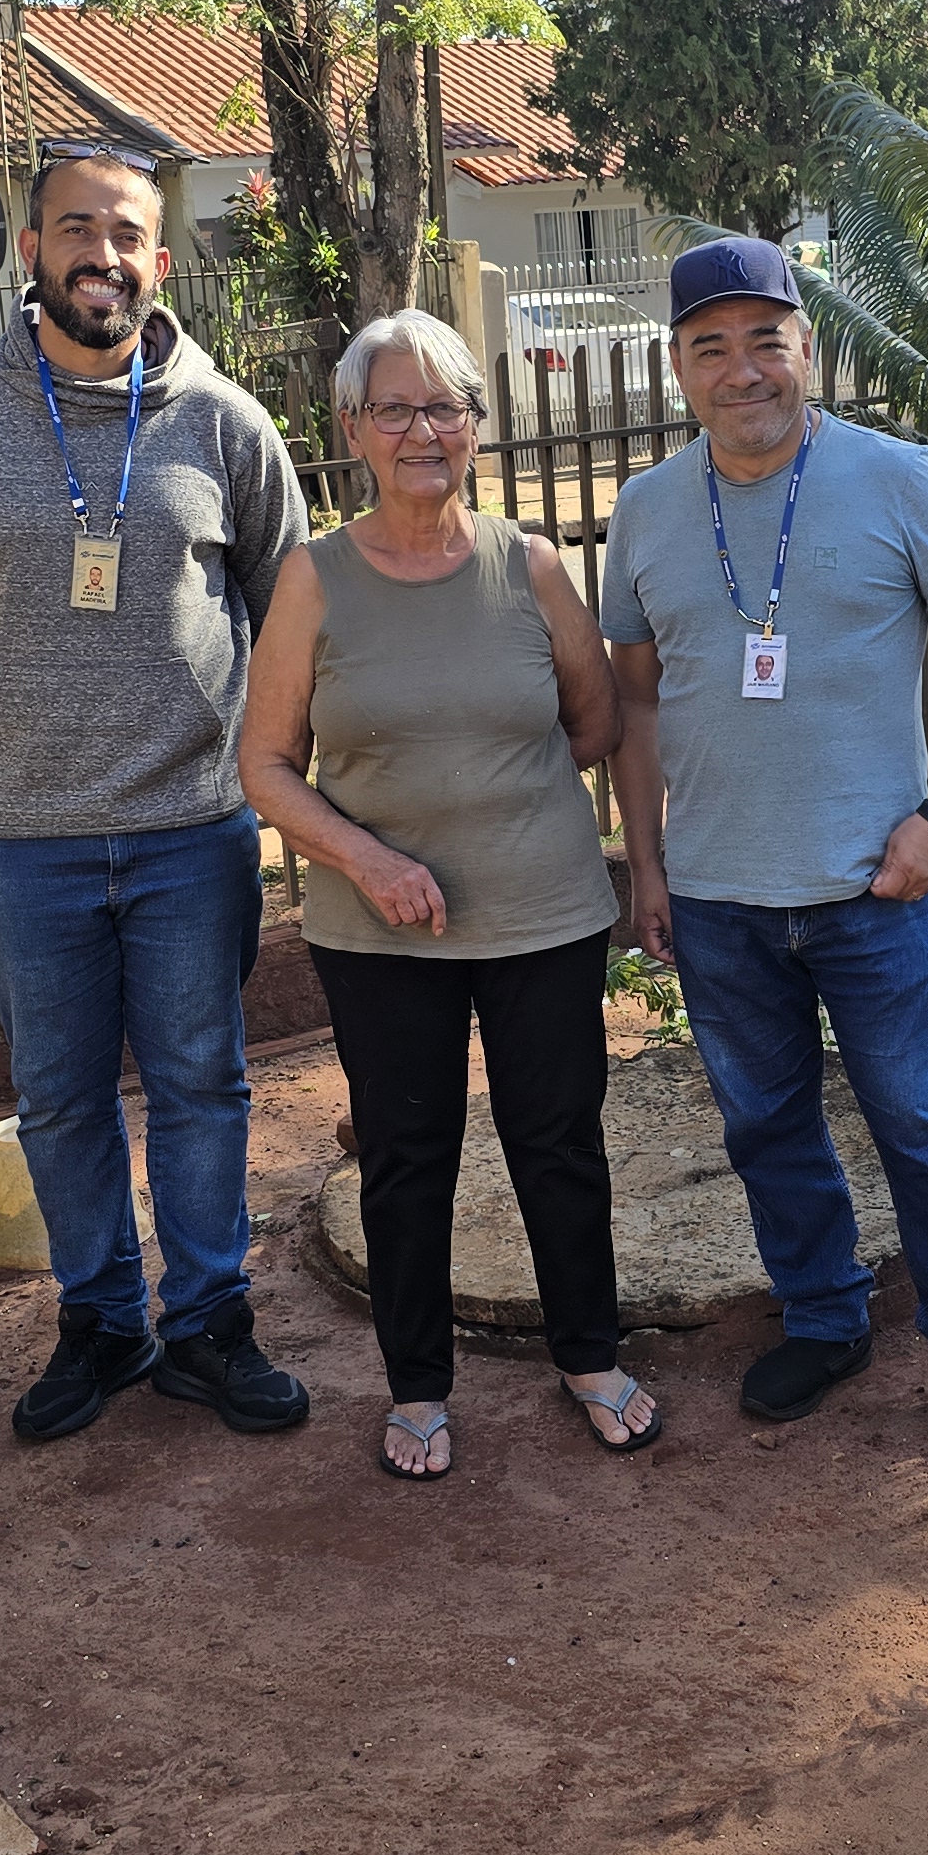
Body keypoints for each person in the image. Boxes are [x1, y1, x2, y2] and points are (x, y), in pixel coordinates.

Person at [0, 142, 314, 1445]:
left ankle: (210, 1325)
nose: (100, 256)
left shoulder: (224, 423)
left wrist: (235, 746)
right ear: (31, 250)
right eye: (75, 229)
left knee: (202, 1087)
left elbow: (285, 600)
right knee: (60, 1099)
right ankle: (103, 1322)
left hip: (192, 831)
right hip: (19, 838)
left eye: (124, 235)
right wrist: (4, 707)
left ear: (158, 261)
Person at [601, 236, 928, 1456]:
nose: (741, 369)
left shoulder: (896, 477)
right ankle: (825, 1315)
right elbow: (634, 700)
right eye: (710, 347)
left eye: (766, 340)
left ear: (807, 348)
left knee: (925, 1128)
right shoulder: (645, 509)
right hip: (717, 898)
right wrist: (648, 864)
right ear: (678, 367)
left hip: (873, 886)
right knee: (766, 1129)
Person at [236, 309, 655, 1481]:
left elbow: (593, 721)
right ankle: (418, 1384)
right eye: (394, 409)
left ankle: (590, 1356)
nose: (421, 430)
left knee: (557, 1143)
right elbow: (264, 763)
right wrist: (367, 856)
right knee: (406, 1154)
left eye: (444, 407)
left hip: (544, 913)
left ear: (475, 423)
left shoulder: (530, 566)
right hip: (375, 929)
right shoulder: (313, 577)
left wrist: (494, 802)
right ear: (351, 428)